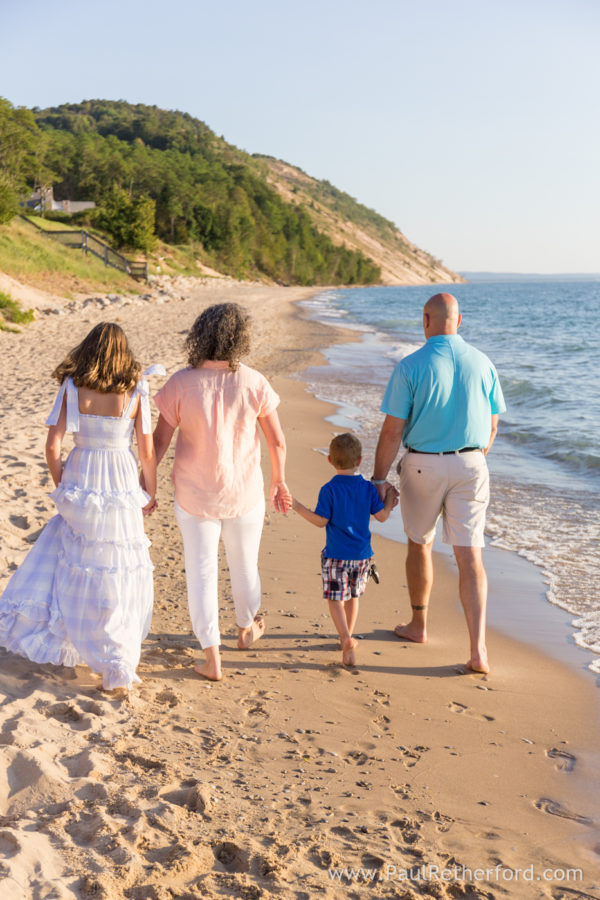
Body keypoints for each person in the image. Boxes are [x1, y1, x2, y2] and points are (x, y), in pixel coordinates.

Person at [0, 323, 161, 691]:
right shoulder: (136, 391)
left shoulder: (72, 387)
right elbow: (147, 452)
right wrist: (148, 491)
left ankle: (85, 638)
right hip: (119, 475)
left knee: (78, 558)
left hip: (82, 472)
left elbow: (52, 447)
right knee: (117, 562)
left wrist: (64, 485)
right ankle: (115, 652)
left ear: (89, 349)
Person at [152, 303, 291, 682]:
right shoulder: (253, 381)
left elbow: (158, 445)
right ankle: (246, 630)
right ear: (240, 338)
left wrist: (146, 487)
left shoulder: (181, 382)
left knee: (201, 572)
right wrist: (279, 481)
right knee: (245, 564)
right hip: (243, 493)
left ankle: (212, 658)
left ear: (201, 334)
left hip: (194, 495)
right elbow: (277, 442)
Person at [372, 293, 506, 674]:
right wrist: (473, 460)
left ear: (426, 321)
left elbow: (391, 430)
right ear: (459, 320)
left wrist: (379, 479)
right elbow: (494, 425)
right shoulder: (483, 362)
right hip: (472, 462)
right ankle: (478, 651)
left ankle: (419, 624)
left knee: (420, 543)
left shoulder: (411, 365)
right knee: (470, 556)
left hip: (422, 466)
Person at [291, 433, 397, 667]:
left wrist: (298, 506)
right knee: (353, 596)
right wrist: (389, 498)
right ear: (360, 460)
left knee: (334, 598)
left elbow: (320, 521)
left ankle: (345, 638)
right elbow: (382, 516)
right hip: (361, 556)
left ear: (330, 460)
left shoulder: (329, 490)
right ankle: (347, 635)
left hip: (336, 555)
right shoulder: (367, 489)